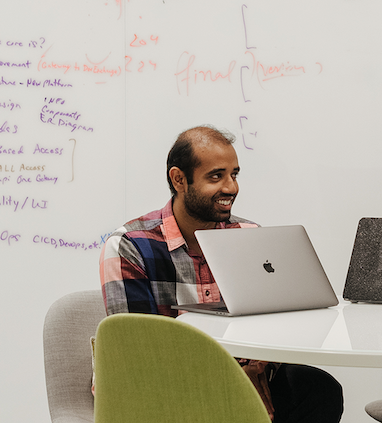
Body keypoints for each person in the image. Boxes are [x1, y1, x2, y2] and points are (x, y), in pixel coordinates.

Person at [99, 125, 344, 423]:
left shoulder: (248, 235)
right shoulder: (130, 245)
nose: (231, 188)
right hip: (163, 386)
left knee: (319, 388)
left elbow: (271, 329)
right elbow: (140, 352)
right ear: (179, 179)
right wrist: (229, 383)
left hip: (242, 377)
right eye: (216, 176)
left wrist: (259, 366)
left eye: (234, 174)